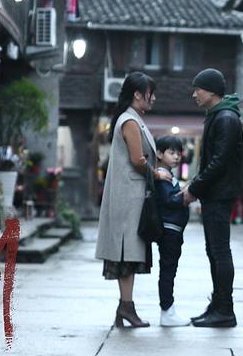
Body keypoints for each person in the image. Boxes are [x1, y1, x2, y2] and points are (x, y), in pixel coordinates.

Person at [94, 72, 170, 328]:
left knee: (128, 252)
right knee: (127, 253)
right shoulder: (129, 121)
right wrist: (156, 173)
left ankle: (124, 308)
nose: (154, 98)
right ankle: (127, 307)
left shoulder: (131, 118)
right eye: (151, 93)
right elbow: (138, 161)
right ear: (138, 94)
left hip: (129, 195)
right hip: (129, 197)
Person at [183, 68, 243, 328]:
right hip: (214, 193)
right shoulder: (217, 115)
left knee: (219, 251)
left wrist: (194, 188)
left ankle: (225, 309)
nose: (194, 94)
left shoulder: (226, 118)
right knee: (214, 251)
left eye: (197, 89)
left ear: (211, 91)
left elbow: (219, 162)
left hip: (220, 194)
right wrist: (196, 185)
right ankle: (218, 305)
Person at [153, 135, 190, 327]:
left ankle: (168, 310)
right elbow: (168, 200)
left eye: (178, 153)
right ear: (159, 154)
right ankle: (167, 310)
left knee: (169, 269)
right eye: (171, 152)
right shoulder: (162, 176)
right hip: (169, 229)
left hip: (173, 229)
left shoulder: (167, 174)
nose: (176, 157)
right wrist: (186, 197)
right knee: (168, 270)